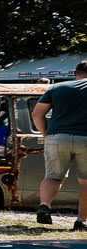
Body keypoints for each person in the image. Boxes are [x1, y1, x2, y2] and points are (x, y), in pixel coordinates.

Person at [33, 59, 87, 229]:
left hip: (57, 137)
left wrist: (47, 134)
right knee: (85, 181)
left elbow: (36, 114)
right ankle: (82, 221)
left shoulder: (57, 87)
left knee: (53, 176)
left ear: (75, 73)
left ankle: (45, 205)